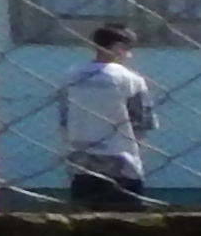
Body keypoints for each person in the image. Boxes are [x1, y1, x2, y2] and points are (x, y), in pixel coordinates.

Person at [56, 22, 160, 207]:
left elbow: (64, 116)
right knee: (125, 215)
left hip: (81, 157)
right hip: (120, 159)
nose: (129, 55)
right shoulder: (131, 80)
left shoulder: (71, 75)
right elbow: (141, 122)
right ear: (118, 47)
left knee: (85, 213)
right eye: (128, 49)